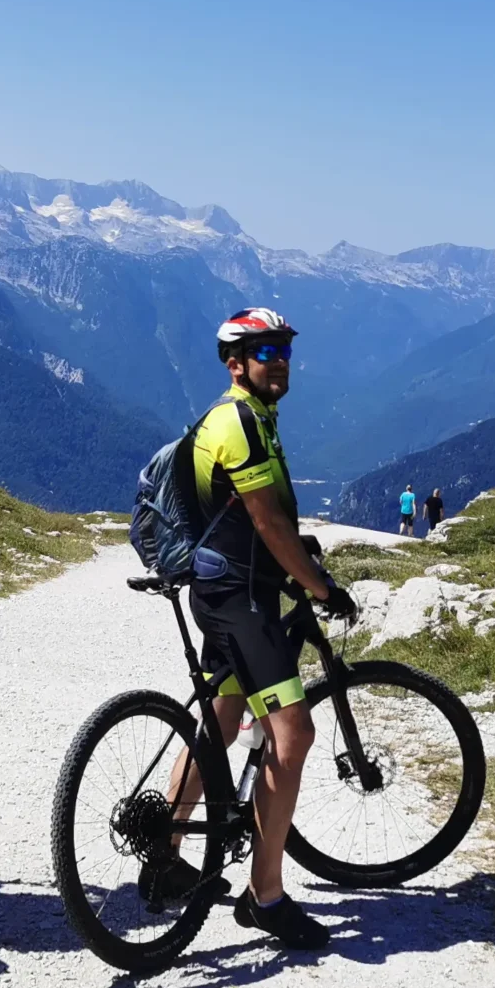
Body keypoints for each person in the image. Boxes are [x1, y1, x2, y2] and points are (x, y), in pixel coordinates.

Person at [147, 307, 358, 953]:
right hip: (240, 600)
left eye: (284, 349)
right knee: (293, 734)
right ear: (236, 363)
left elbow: (258, 519)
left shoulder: (247, 418)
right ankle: (265, 898)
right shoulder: (240, 422)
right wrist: (321, 587)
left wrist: (296, 554)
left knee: (218, 720)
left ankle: (165, 855)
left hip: (225, 591)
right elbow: (266, 525)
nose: (280, 361)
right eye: (265, 351)